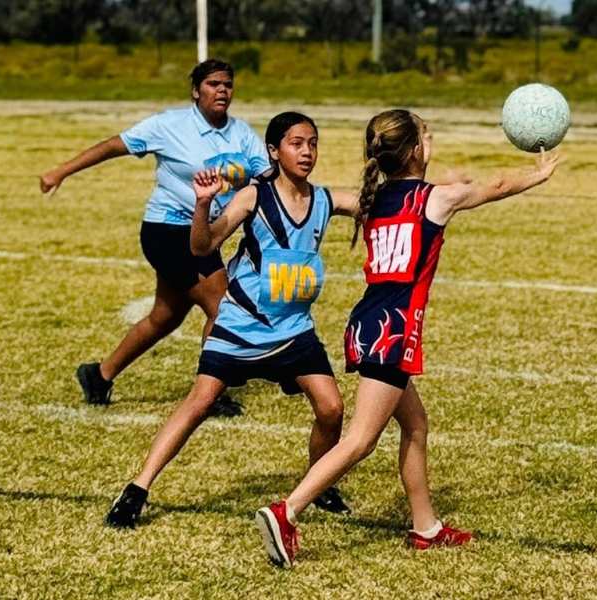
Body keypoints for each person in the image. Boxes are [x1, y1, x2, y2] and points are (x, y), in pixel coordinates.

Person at [255, 108, 561, 567]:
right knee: (361, 440)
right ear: (417, 149)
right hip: (391, 331)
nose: (431, 140)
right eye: (426, 135)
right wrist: (538, 175)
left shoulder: (376, 199)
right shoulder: (432, 200)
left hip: (369, 324)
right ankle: (287, 511)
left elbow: (450, 187)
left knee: (415, 426)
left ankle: (426, 527)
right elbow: (492, 188)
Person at [103, 112, 362, 528]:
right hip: (240, 326)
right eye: (296, 143)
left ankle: (319, 484)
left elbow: (377, 203)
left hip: (293, 331)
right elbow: (203, 247)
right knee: (199, 403)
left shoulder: (325, 200)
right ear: (273, 152)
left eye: (313, 143)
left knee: (331, 409)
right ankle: (137, 489)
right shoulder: (253, 196)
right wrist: (203, 204)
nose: (307, 151)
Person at [39, 59, 271, 413]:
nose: (221, 90)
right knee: (222, 307)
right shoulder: (169, 125)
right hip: (168, 230)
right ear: (196, 91)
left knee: (165, 317)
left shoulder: (240, 133)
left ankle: (99, 375)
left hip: (204, 234)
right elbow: (113, 146)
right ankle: (208, 396)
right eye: (212, 84)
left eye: (227, 84)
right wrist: (61, 171)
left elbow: (267, 174)